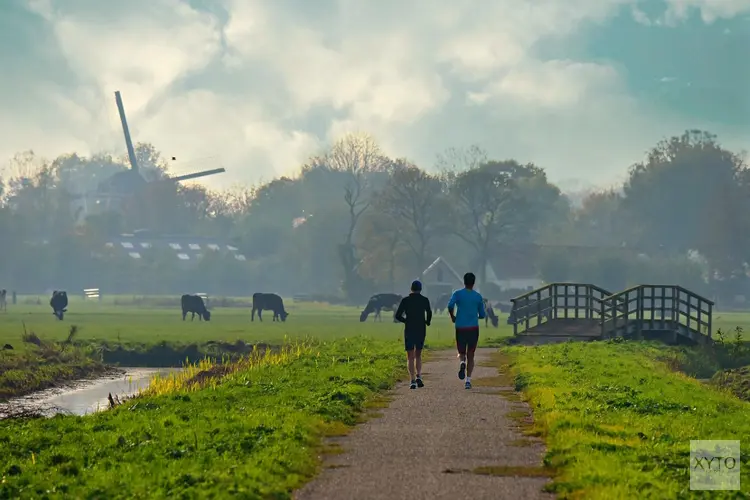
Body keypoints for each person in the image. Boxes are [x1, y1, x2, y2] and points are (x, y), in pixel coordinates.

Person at [447, 272, 485, 389]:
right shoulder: (478, 297)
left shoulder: (457, 294)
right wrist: (476, 316)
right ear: (473, 283)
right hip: (473, 328)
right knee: (471, 354)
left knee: (462, 352)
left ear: (464, 282)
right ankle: (468, 381)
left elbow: (450, 305)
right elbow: (482, 314)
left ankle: (462, 362)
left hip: (460, 327)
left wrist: (453, 316)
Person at [394, 280, 432, 389]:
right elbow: (429, 312)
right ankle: (419, 375)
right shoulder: (424, 300)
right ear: (420, 289)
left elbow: (397, 315)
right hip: (421, 328)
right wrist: (427, 322)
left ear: (411, 288)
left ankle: (412, 380)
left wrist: (405, 320)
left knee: (410, 355)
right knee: (418, 354)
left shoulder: (405, 300)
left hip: (409, 329)